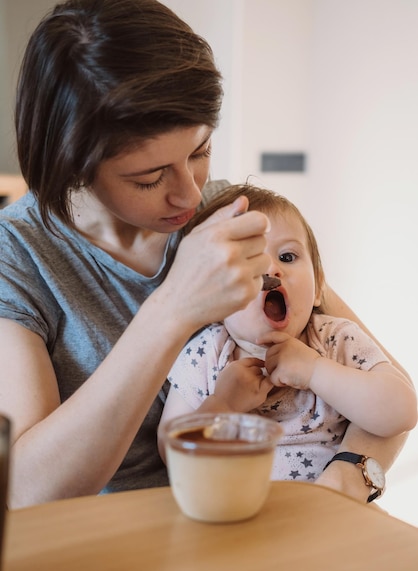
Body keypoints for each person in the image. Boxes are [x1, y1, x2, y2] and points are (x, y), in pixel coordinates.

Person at [0, 0, 413, 509]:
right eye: (149, 177)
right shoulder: (16, 258)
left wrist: (349, 476)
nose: (191, 197)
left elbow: (383, 389)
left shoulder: (236, 215)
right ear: (70, 164)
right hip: (112, 542)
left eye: (199, 151)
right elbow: (24, 492)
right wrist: (174, 306)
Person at [158, 184, 416, 493]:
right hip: (234, 523)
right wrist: (223, 405)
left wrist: (316, 371)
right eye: (249, 261)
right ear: (214, 298)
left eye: (288, 256)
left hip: (326, 519)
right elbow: (172, 454)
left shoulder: (335, 340)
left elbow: (401, 412)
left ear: (319, 287)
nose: (272, 269)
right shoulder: (207, 353)